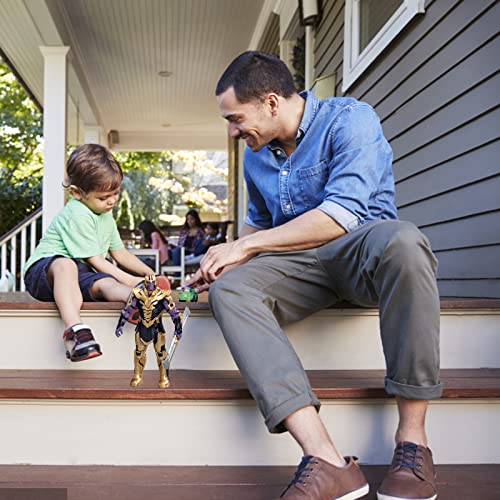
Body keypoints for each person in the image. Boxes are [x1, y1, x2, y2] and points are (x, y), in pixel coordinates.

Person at [187, 51, 441, 500]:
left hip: (363, 253)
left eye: (235, 118)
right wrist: (227, 260)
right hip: (300, 269)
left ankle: (413, 441)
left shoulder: (350, 119)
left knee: (405, 241)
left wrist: (245, 246)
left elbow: (341, 215)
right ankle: (325, 459)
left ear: (270, 102)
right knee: (230, 289)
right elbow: (259, 226)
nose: (231, 131)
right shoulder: (255, 157)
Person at [23, 144, 155, 362]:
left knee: (104, 283)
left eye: (115, 193)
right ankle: (75, 331)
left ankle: (136, 301)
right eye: (104, 197)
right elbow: (97, 260)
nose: (112, 201)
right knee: (67, 266)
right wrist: (133, 279)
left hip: (80, 272)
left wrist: (150, 276)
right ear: (77, 193)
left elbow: (120, 253)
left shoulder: (105, 215)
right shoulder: (77, 213)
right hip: (45, 271)